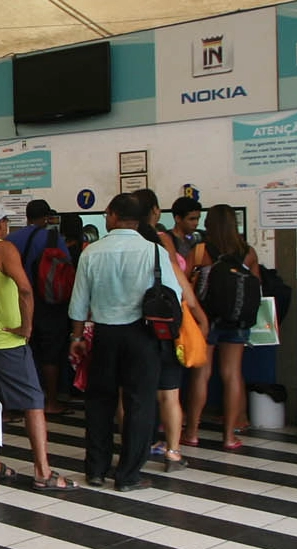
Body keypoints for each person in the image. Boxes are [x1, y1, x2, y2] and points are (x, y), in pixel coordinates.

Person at [69, 193, 183, 491]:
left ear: (114, 215)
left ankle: (96, 470)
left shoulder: (91, 252)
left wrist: (77, 337)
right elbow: (175, 295)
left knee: (99, 403)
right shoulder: (154, 252)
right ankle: (129, 474)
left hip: (104, 335)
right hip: (143, 336)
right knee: (139, 404)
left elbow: (78, 303)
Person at [0, 204, 75, 491]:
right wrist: (26, 327)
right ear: (0, 224)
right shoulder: (3, 249)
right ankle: (42, 471)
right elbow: (25, 288)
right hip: (7, 341)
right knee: (33, 403)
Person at [134, 190, 206, 472]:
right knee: (169, 394)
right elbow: (186, 295)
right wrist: (200, 321)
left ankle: (138, 447)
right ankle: (173, 452)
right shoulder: (166, 257)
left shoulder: (126, 258)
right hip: (166, 332)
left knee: (135, 395)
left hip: (136, 333)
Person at [183, 204, 258, 450]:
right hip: (237, 320)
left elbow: (188, 284)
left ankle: (192, 432)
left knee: (201, 374)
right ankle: (229, 436)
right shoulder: (248, 252)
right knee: (232, 373)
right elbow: (257, 286)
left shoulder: (202, 250)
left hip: (207, 318)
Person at [3, 200, 70, 415]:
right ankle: (50, 401)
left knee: (25, 350)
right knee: (50, 353)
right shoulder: (53, 238)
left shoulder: (10, 240)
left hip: (17, 302)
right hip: (47, 302)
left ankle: (21, 401)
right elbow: (65, 269)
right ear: (47, 217)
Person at [168, 196, 204, 263]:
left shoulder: (197, 239)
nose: (196, 223)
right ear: (178, 218)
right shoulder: (167, 240)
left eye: (198, 219)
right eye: (191, 219)